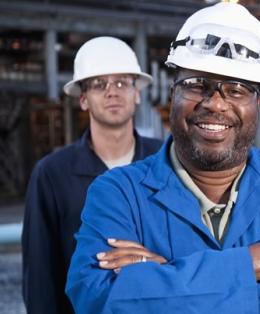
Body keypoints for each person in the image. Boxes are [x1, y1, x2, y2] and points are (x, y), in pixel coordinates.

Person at [65, 3, 260, 313]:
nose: (215, 104)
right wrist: (250, 264)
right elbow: (98, 298)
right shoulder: (119, 193)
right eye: (197, 85)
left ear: (258, 103)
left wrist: (165, 276)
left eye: (236, 89)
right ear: (172, 95)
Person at [21, 36, 162, 314]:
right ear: (83, 99)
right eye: (99, 84)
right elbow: (40, 274)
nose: (112, 92)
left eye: (122, 82)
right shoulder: (52, 174)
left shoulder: (165, 162)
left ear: (137, 93)